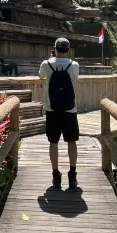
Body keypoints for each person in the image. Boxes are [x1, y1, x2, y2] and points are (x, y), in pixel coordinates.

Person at [39, 37, 80, 189]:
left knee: (53, 142)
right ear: (68, 50)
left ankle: (56, 176)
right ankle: (73, 175)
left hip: (51, 108)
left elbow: (41, 76)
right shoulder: (74, 65)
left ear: (55, 48)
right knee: (72, 141)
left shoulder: (46, 64)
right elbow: (75, 79)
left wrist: (51, 60)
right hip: (70, 109)